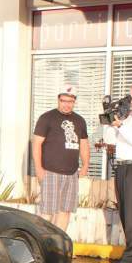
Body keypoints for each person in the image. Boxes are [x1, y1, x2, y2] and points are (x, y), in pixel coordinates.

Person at [32, 85, 89, 232]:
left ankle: (59, 245)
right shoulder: (47, 118)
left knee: (65, 211)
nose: (66, 104)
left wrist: (85, 165)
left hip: (71, 174)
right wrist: (38, 169)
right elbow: (37, 144)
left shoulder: (80, 120)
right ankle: (43, 245)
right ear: (58, 99)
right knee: (47, 212)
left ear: (74, 101)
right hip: (50, 172)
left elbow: (83, 144)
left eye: (70, 101)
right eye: (63, 100)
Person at [104, 83, 132, 263]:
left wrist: (121, 126)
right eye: (131, 97)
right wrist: (111, 122)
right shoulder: (129, 117)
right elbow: (111, 141)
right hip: (122, 167)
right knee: (126, 214)